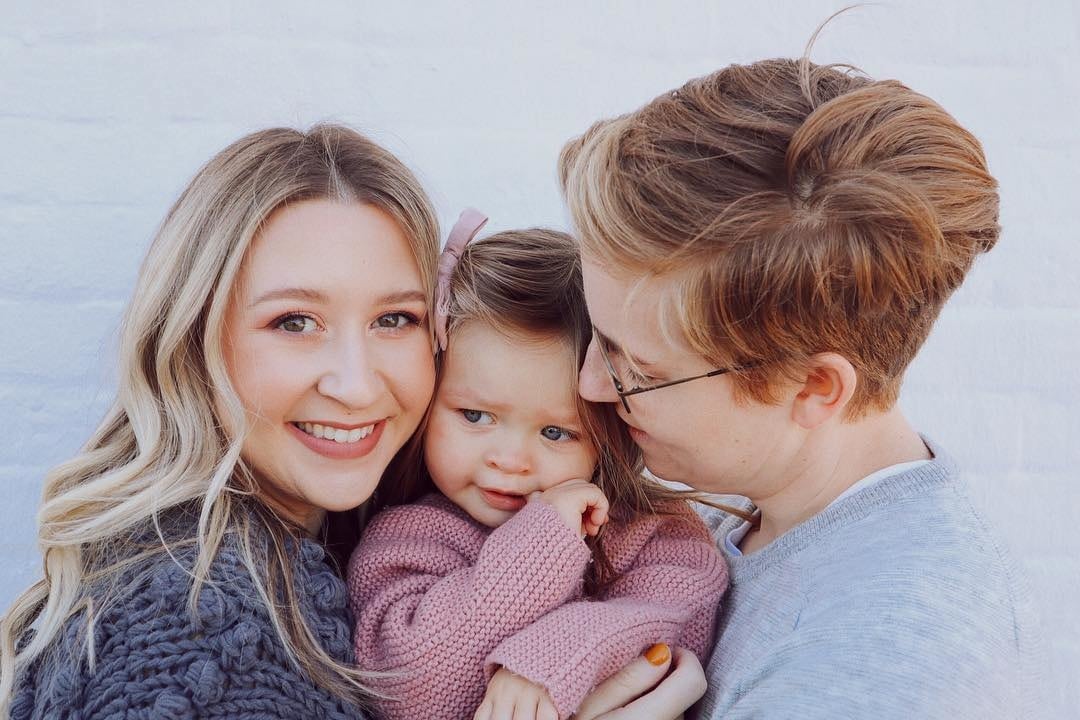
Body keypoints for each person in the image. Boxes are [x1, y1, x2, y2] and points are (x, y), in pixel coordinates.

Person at [559, 57, 1046, 718]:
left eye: (639, 369)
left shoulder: (883, 668)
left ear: (814, 388)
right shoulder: (742, 504)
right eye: (596, 333)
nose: (590, 384)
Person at [0, 124, 441, 718]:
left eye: (394, 320)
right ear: (192, 342)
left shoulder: (343, 556)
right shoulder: (203, 623)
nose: (356, 385)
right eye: (294, 322)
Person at [346, 214, 729, 720]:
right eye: (476, 415)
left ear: (605, 436)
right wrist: (543, 541)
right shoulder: (406, 541)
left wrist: (551, 659)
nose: (509, 460)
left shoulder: (657, 535)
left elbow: (674, 621)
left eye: (555, 433)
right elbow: (411, 686)